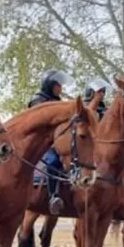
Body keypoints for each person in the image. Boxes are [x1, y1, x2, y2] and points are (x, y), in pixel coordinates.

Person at [28, 69, 74, 215]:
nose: (61, 88)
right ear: (49, 85)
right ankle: (53, 196)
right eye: (58, 85)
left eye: (61, 85)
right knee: (53, 162)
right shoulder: (37, 100)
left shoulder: (58, 102)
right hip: (42, 142)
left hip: (57, 140)